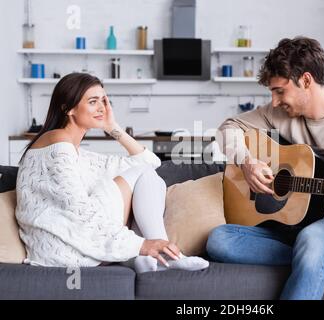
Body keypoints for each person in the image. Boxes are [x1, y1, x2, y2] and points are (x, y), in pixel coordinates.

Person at [206, 37, 324, 299]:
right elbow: (228, 128)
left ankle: (319, 253)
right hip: (285, 225)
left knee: (312, 241)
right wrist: (247, 161)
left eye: (280, 91)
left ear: (306, 80)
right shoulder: (278, 115)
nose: (273, 102)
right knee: (218, 240)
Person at [15, 72, 209, 273]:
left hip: (73, 245)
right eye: (93, 101)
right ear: (68, 108)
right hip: (65, 248)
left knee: (147, 176)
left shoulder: (77, 152)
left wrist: (112, 127)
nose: (102, 108)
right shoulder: (58, 142)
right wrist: (143, 245)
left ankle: (148, 259)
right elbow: (78, 211)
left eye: (104, 101)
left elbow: (151, 163)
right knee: (143, 174)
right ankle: (164, 253)